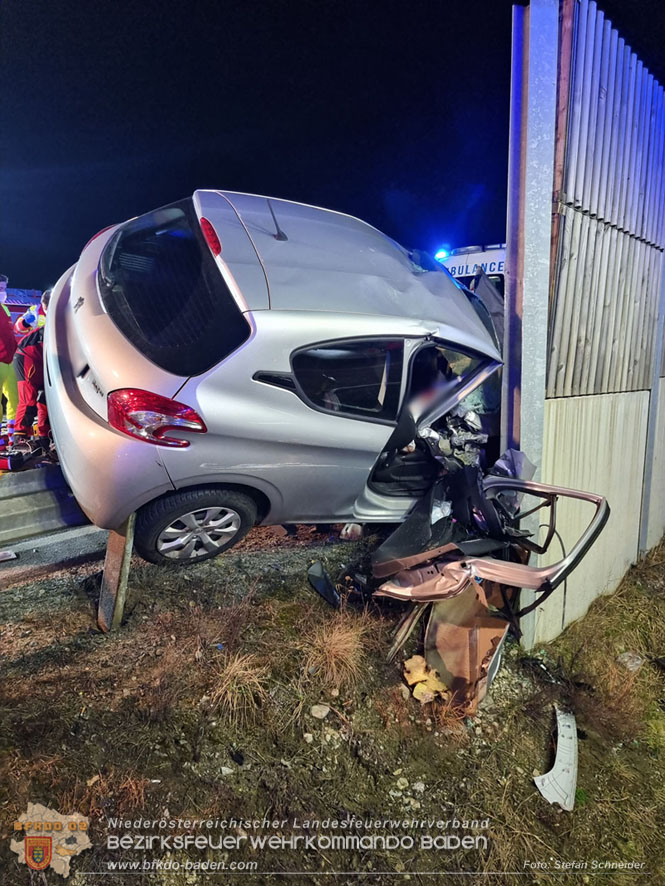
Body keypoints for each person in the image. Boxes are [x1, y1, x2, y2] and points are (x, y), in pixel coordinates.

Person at [12, 289, 52, 454]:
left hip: (45, 357)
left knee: (46, 398)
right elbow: (18, 327)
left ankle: (44, 435)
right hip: (28, 354)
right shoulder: (36, 311)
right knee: (29, 398)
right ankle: (21, 437)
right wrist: (27, 321)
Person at [0, 274, 18, 443]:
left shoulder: (4, 309)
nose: (3, 292)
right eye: (0, 289)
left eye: (4, 289)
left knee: (15, 399)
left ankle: (12, 436)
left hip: (9, 362)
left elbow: (9, 334)